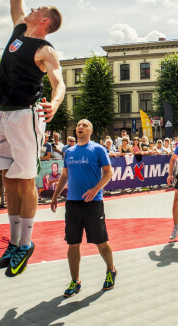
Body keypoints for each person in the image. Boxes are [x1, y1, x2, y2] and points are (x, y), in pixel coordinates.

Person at [0, 0, 65, 279]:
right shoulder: (20, 27)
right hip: (3, 112)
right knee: (9, 181)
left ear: (46, 20)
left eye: (38, 8)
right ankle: (14, 241)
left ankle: (26, 243)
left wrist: (56, 106)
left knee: (25, 180)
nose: (30, 8)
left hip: (26, 114)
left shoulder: (46, 48)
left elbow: (59, 83)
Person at [50, 119, 116, 297]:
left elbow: (109, 172)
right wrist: (55, 196)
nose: (80, 127)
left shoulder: (98, 149)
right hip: (72, 203)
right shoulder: (69, 151)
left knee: (100, 242)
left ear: (91, 130)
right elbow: (65, 175)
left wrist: (95, 189)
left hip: (93, 203)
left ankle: (111, 270)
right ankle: (75, 281)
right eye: (79, 125)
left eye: (85, 125)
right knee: (72, 244)